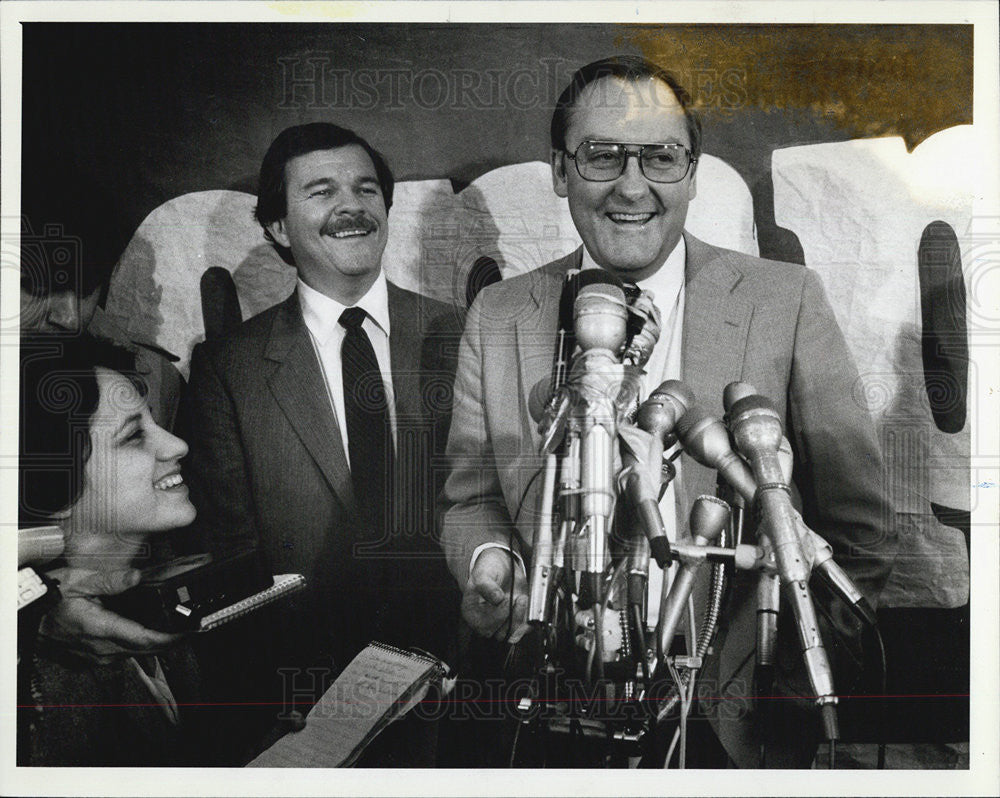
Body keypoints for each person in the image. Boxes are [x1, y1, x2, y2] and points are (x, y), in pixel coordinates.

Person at [438, 55, 898, 767]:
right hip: (558, 711)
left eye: (660, 157)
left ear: (691, 172)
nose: (633, 185)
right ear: (560, 171)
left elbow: (858, 534)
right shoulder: (498, 315)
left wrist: (785, 683)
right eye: (601, 156)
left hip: (738, 726)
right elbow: (470, 500)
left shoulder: (787, 300)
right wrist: (491, 564)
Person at [178, 123, 462, 763]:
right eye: (322, 191)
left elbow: (498, 505)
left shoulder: (461, 333)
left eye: (367, 188)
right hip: (309, 705)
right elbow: (233, 556)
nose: (352, 206)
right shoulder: (231, 368)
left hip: (464, 688)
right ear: (278, 227)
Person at [17, 334, 201, 766]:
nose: (177, 446)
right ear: (52, 486)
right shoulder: (34, 687)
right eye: (135, 436)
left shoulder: (162, 588)